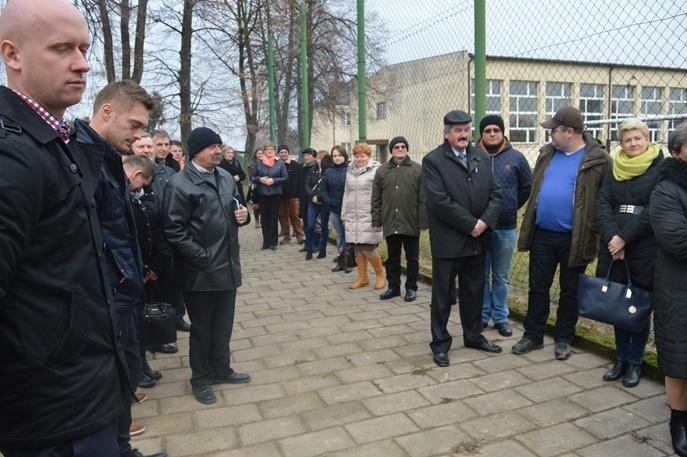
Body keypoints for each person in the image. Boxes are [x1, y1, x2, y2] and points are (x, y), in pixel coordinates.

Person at [0, 1, 124, 455]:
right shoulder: (12, 154)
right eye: (61, 48)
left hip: (84, 392)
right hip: (52, 413)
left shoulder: (53, 140)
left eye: (84, 48)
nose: (82, 63)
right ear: (12, 55)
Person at [74, 80, 166, 457]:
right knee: (112, 381)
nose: (139, 134)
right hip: (106, 298)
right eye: (134, 125)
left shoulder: (110, 159)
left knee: (124, 376)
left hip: (124, 293)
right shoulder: (81, 159)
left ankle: (125, 449)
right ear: (106, 112)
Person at [162, 127, 251, 405]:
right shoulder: (179, 184)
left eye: (219, 145)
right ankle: (200, 378)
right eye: (211, 147)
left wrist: (243, 216)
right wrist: (201, 257)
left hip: (227, 265)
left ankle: (221, 369)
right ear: (195, 151)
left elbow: (238, 208)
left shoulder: (225, 177)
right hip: (199, 271)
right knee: (202, 328)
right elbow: (173, 230)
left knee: (223, 325)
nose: (217, 151)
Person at [513, 106, 610, 360]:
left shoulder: (598, 160)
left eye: (553, 130)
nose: (550, 135)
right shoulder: (547, 154)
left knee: (570, 291)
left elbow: (604, 200)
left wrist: (597, 234)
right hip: (543, 234)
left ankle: (564, 338)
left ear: (569, 132)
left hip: (575, 238)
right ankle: (532, 335)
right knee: (538, 287)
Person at [422, 110, 504, 368]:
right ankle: (440, 343)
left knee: (473, 292)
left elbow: (496, 194)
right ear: (446, 134)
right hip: (449, 241)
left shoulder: (480, 156)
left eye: (467, 130)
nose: (463, 134)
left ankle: (473, 336)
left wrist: (484, 223)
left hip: (476, 241)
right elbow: (439, 202)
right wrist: (471, 225)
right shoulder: (433, 161)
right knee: (443, 296)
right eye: (457, 130)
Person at [595, 118, 662, 388]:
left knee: (638, 307)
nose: (632, 144)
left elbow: (654, 209)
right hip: (613, 249)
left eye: (637, 138)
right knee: (617, 304)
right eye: (627, 140)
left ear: (647, 139)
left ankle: (636, 361)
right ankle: (620, 358)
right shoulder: (615, 167)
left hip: (644, 249)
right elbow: (603, 203)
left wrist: (624, 237)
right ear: (620, 143)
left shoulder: (660, 168)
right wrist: (613, 237)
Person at [649, 125, 687, 457]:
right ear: (677, 151)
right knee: (679, 357)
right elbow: (677, 240)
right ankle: (679, 422)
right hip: (679, 289)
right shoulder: (667, 189)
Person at [477, 115, 532, 337]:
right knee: (481, 274)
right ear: (481, 134)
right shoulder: (472, 157)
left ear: (502, 133)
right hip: (479, 227)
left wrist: (509, 206)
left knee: (501, 275)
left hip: (506, 227)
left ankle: (500, 316)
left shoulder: (516, 158)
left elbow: (526, 187)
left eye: (496, 130)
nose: (492, 134)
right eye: (487, 130)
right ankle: (482, 315)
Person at [371, 136, 427, 302]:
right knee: (393, 257)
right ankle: (393, 287)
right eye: (397, 147)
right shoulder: (382, 171)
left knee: (412, 258)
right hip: (390, 220)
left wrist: (423, 221)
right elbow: (376, 198)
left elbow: (423, 198)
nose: (400, 149)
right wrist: (376, 220)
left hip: (411, 221)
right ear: (391, 150)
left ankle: (411, 287)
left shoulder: (418, 170)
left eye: (403, 146)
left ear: (407, 149)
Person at [342, 143, 385, 289]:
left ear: (369, 156)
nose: (359, 159)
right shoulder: (350, 170)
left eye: (363, 156)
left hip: (369, 214)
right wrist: (344, 214)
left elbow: (381, 193)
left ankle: (380, 274)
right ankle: (363, 277)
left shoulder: (377, 170)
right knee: (358, 247)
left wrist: (379, 214)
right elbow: (346, 193)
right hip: (353, 214)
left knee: (368, 247)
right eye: (357, 156)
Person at [251, 143, 288, 250]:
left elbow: (285, 177)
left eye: (272, 149)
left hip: (275, 194)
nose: (270, 151)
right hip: (262, 194)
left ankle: (273, 243)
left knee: (273, 218)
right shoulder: (259, 162)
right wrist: (260, 179)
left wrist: (273, 181)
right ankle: (265, 242)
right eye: (267, 149)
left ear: (274, 151)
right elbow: (252, 177)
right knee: (264, 219)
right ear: (264, 151)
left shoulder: (280, 162)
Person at [320, 145, 350, 271]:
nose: (337, 158)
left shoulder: (350, 170)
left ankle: (348, 262)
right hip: (334, 208)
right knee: (339, 234)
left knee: (347, 236)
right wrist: (330, 202)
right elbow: (323, 191)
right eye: (335, 156)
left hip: (348, 208)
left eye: (340, 155)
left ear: (345, 156)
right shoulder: (328, 171)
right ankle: (340, 262)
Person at [304, 149, 330, 260]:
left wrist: (321, 197)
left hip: (324, 203)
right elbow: (307, 184)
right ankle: (309, 249)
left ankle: (322, 249)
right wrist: (312, 196)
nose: (319, 161)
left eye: (322, 159)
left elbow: (329, 188)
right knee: (310, 225)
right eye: (318, 158)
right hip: (313, 202)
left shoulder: (329, 171)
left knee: (323, 226)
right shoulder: (313, 170)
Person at [277, 144, 305, 244]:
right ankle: (286, 237)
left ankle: (299, 236)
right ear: (278, 154)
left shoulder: (295, 165)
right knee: (283, 217)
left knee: (295, 216)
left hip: (294, 196)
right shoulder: (276, 165)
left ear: (288, 153)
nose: (283, 154)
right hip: (280, 196)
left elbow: (300, 180)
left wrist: (298, 194)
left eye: (285, 152)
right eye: (281, 152)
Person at [246, 148, 264, 228]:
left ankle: (262, 220)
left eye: (261, 153)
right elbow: (250, 176)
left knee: (263, 203)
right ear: (255, 154)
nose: (260, 155)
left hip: (265, 185)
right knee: (256, 204)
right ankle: (256, 220)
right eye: (258, 153)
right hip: (255, 186)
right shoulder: (251, 164)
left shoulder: (266, 162)